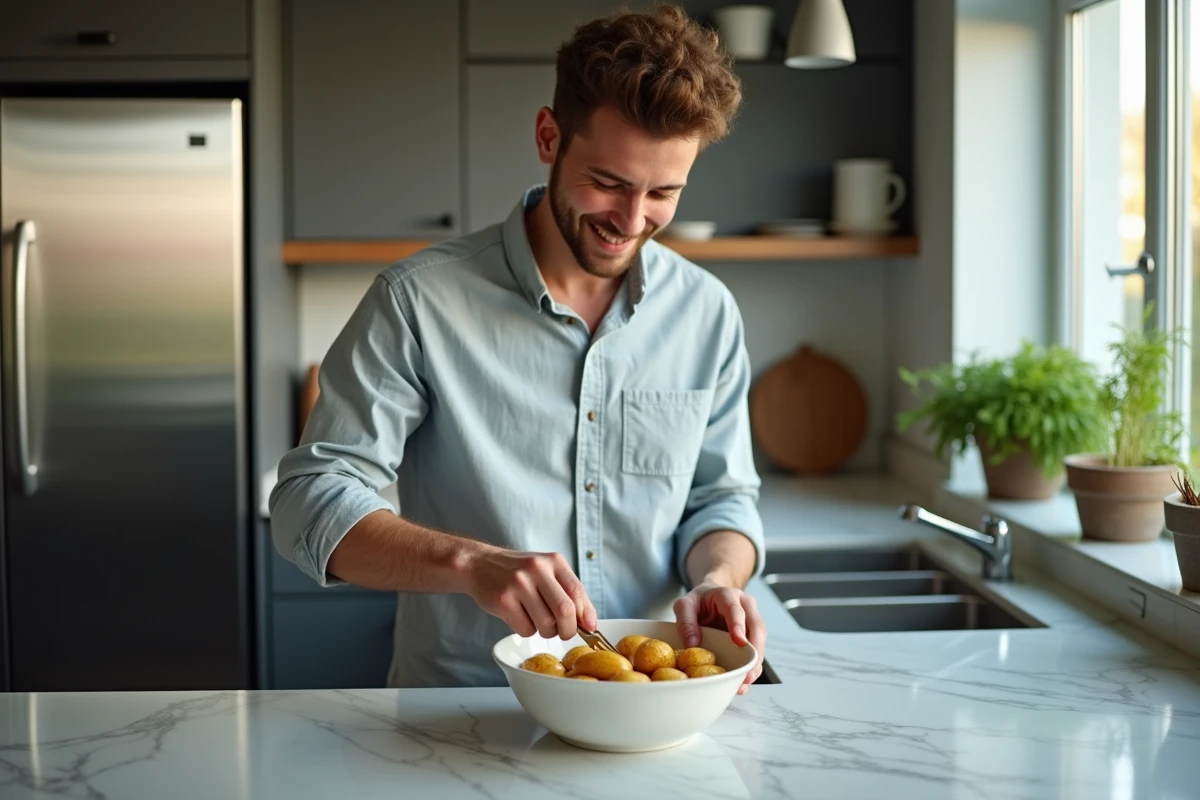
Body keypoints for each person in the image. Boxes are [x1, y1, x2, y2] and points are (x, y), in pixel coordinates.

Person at [269, 4, 767, 692]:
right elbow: (307, 500)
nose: (630, 220)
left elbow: (721, 500)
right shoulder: (418, 301)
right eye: (610, 183)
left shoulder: (706, 312)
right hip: (459, 715)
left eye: (663, 193)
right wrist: (471, 564)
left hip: (652, 714)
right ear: (548, 136)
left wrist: (718, 576)